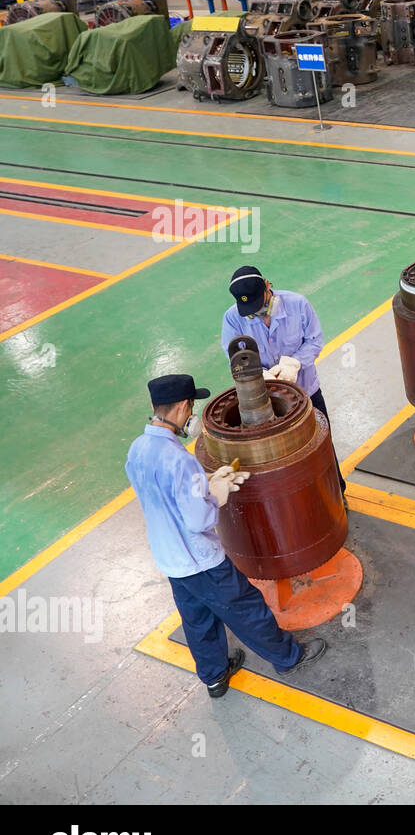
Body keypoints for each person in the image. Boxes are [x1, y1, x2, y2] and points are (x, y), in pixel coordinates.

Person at [124, 374, 326, 699]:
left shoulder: (138, 449)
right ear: (182, 407)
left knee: (197, 618)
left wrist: (203, 481)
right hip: (200, 560)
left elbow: (159, 493)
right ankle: (289, 657)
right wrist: (215, 495)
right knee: (246, 607)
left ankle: (215, 677)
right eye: (190, 406)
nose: (191, 413)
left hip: (170, 559)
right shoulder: (179, 459)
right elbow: (198, 519)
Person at [221, 265, 344, 494]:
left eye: (259, 305)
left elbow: (315, 341)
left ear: (268, 287)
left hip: (307, 392)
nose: (258, 314)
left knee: (321, 446)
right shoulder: (233, 319)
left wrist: (293, 363)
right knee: (280, 459)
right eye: (250, 311)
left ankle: (337, 493)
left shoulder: (298, 304)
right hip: (265, 401)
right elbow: (235, 359)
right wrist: (259, 376)